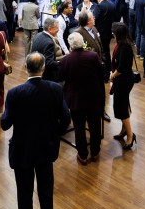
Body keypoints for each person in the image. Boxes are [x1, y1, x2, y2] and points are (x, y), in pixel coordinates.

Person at [1, 52, 71, 209]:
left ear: (25, 67)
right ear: (44, 68)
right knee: (46, 192)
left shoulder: (14, 93)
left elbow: (5, 124)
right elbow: (66, 118)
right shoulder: (55, 89)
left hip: (22, 151)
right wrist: (55, 133)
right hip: (46, 149)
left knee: (24, 194)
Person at [57, 32, 104, 165]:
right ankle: (95, 152)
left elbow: (60, 77)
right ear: (83, 43)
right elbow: (101, 74)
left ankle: (82, 155)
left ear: (70, 45)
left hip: (75, 99)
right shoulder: (93, 56)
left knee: (79, 127)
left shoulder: (66, 60)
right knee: (95, 126)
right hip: (93, 97)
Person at [109, 23, 138, 151]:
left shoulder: (125, 47)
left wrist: (112, 75)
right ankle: (124, 131)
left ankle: (130, 135)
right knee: (123, 105)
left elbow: (122, 67)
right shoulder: (122, 45)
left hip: (124, 80)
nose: (112, 34)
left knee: (121, 107)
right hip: (122, 80)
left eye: (114, 32)